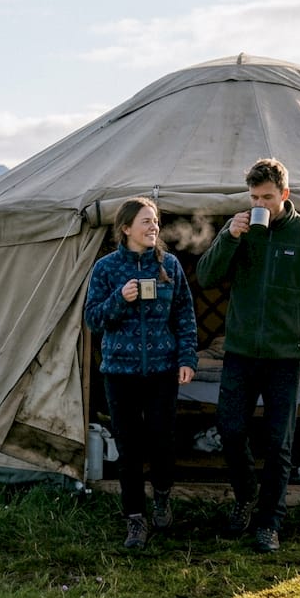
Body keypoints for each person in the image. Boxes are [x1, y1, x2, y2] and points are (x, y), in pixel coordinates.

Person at [195, 158, 300, 553]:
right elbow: (205, 278)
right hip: (240, 353)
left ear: (285, 195)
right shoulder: (238, 229)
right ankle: (246, 494)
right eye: (254, 196)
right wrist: (228, 236)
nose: (260, 203)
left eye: (268, 197)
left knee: (279, 442)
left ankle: (269, 521)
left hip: (285, 357)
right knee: (230, 430)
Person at [84, 196, 198, 550]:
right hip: (120, 372)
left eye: (156, 222)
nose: (153, 227)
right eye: (146, 222)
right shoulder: (105, 269)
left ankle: (162, 497)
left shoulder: (170, 266)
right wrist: (120, 298)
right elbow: (92, 319)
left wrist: (187, 359)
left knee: (162, 440)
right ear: (126, 228)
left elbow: (185, 316)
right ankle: (135, 518)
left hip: (163, 369)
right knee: (129, 447)